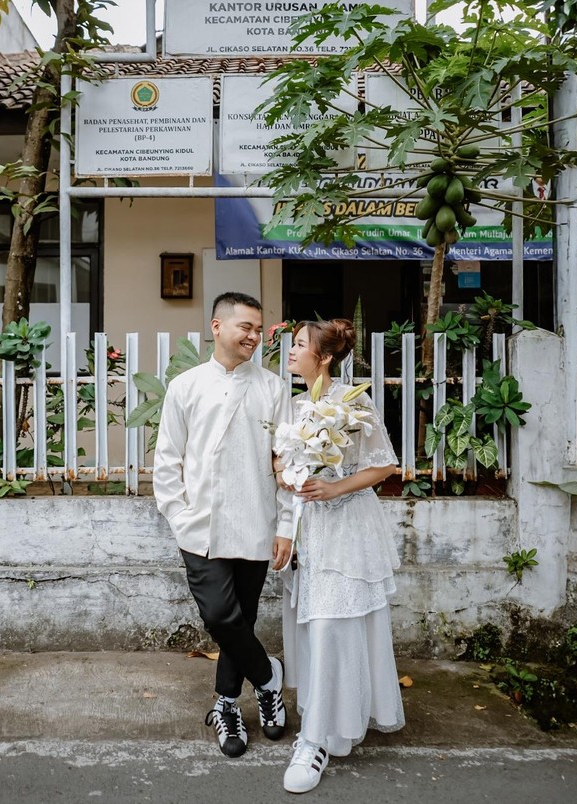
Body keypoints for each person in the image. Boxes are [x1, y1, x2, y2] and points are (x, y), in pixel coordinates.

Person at [153, 292, 293, 758]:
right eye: (245, 327)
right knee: (219, 616)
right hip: (201, 526)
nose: (254, 336)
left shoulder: (273, 388)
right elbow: (168, 459)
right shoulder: (186, 386)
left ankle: (227, 705)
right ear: (217, 327)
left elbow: (287, 463)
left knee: (242, 619)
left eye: (258, 329)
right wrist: (178, 515)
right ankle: (269, 676)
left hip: (256, 521)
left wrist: (286, 525)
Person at [276, 318, 404, 794]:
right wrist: (286, 477)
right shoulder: (294, 405)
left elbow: (384, 465)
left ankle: (315, 741)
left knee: (334, 624)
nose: (291, 352)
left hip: (348, 527)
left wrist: (334, 487)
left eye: (300, 345)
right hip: (309, 529)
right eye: (291, 344)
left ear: (325, 356)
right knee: (314, 626)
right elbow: (281, 464)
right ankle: (323, 720)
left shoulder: (353, 401)